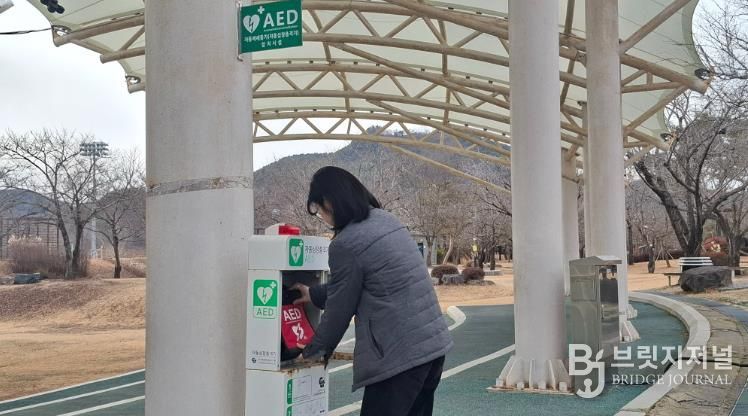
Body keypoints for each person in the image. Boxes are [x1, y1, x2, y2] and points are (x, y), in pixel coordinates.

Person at [292, 166, 453, 416]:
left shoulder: (346, 243)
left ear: (330, 203)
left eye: (318, 209)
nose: (321, 216)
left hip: (399, 357)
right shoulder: (386, 220)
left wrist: (313, 351)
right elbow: (363, 283)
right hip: (431, 349)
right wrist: (313, 294)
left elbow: (339, 309)